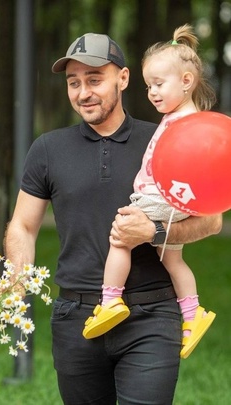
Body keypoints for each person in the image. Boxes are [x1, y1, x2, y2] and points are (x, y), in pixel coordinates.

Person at [4, 32, 222, 404]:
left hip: (152, 314)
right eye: (74, 83)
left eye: (94, 80)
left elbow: (212, 222)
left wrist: (153, 231)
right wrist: (16, 279)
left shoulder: (166, 140)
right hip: (76, 317)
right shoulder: (48, 148)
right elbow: (23, 226)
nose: (83, 92)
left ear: (122, 79)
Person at [82, 25, 216, 359]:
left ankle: (111, 300)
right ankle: (192, 313)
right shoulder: (179, 115)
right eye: (148, 86)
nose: (152, 93)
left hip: (162, 196)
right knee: (172, 257)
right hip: (176, 199)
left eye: (159, 84)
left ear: (187, 81)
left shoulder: (186, 120)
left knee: (121, 234)